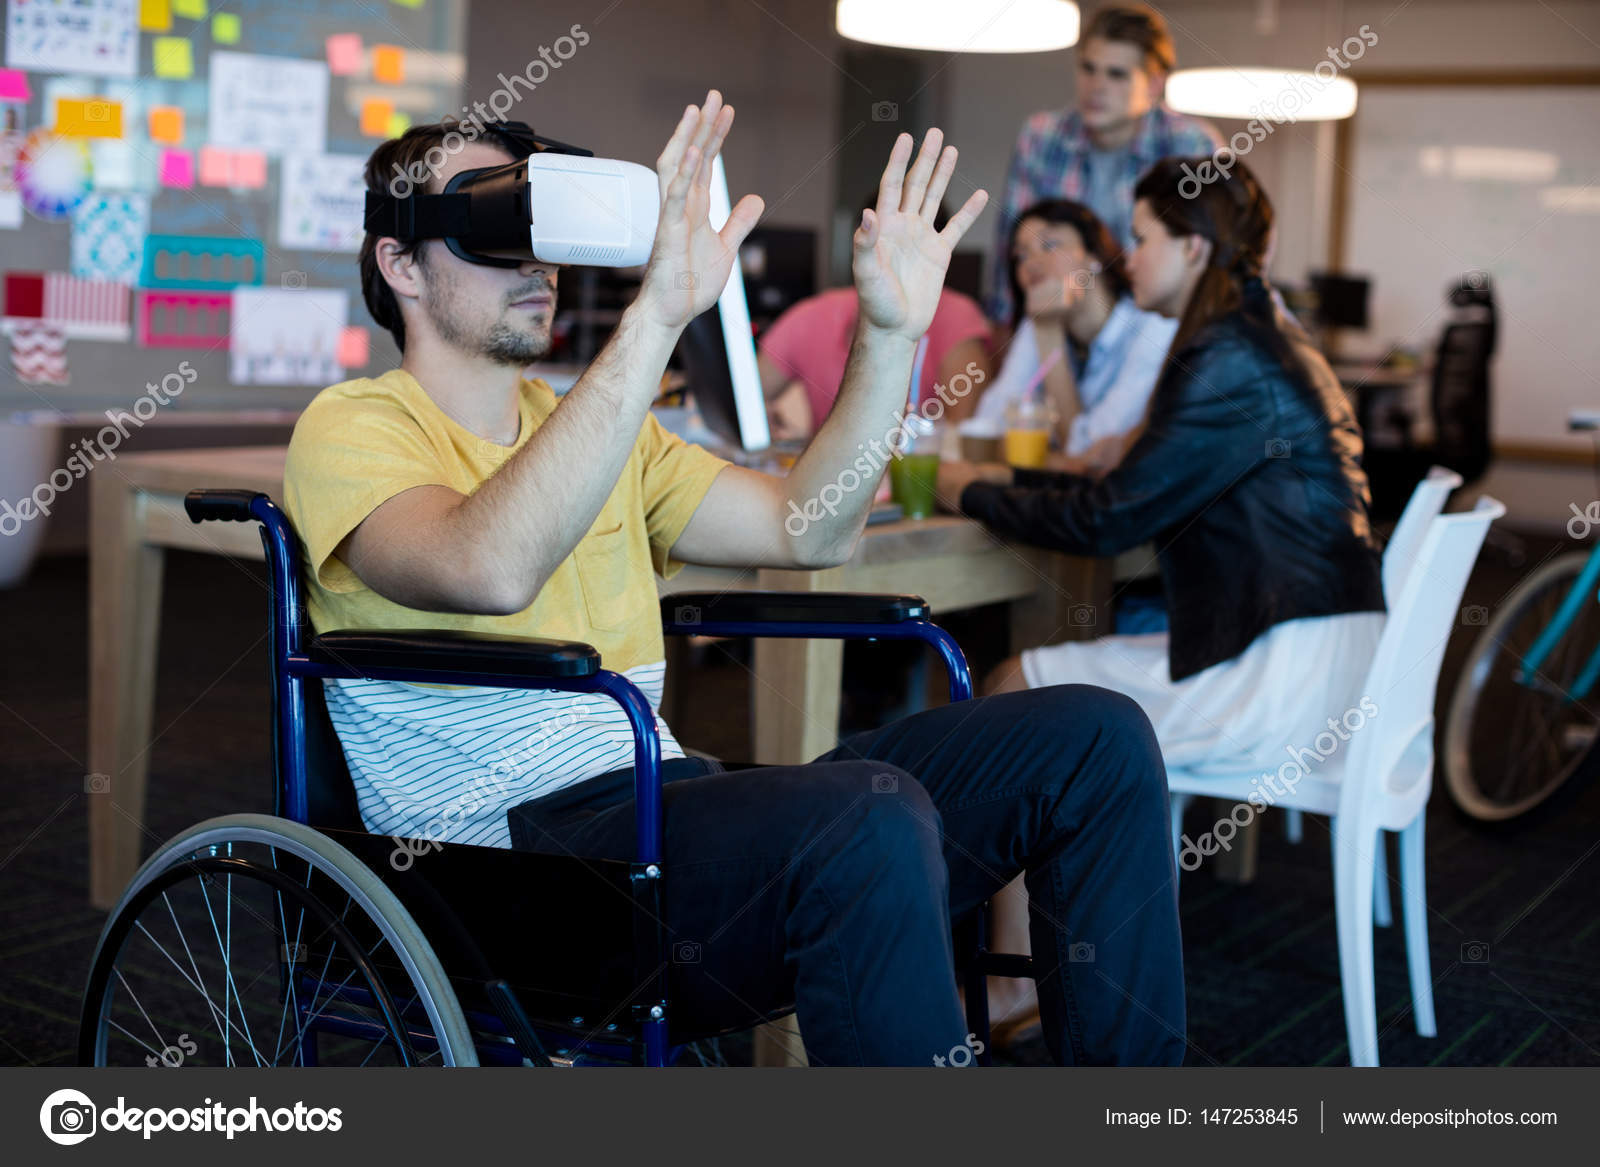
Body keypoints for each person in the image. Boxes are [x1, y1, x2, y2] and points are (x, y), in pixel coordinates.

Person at [283, 94, 1184, 1066]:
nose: (534, 257)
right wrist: (658, 313)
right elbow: (488, 565)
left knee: (1093, 737)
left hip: (660, 809)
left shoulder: (592, 426)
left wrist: (887, 334)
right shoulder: (353, 426)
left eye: (539, 222)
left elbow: (812, 526)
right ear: (400, 264)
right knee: (865, 819)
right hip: (509, 880)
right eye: (495, 223)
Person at [941, 157, 1386, 1040]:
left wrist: (965, 489)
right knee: (1029, 674)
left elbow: (1110, 520)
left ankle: (1009, 985)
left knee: (1016, 695)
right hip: (1308, 648)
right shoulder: (1253, 337)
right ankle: (1020, 960)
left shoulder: (1222, 354)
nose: (1126, 257)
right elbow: (1147, 482)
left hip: (1272, 674)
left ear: (1191, 245)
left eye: (1140, 238)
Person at [987, 4, 1222, 325]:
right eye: (1088, 68)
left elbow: (1219, 259)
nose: (1097, 86)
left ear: (1154, 84)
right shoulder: (1042, 138)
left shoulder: (1193, 145)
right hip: (1056, 323)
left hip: (1159, 333)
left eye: (1116, 74)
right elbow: (1013, 250)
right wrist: (1005, 325)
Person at [759, 195, 993, 441]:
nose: (892, 255)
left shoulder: (957, 318)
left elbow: (963, 440)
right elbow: (742, 401)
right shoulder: (813, 315)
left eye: (909, 244)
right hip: (829, 476)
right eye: (882, 240)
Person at [973, 198, 1176, 475]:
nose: (1032, 264)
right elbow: (987, 426)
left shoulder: (1152, 325)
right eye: (1021, 255)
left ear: (1094, 256)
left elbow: (1087, 452)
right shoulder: (1038, 322)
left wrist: (1048, 335)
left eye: (1049, 245)